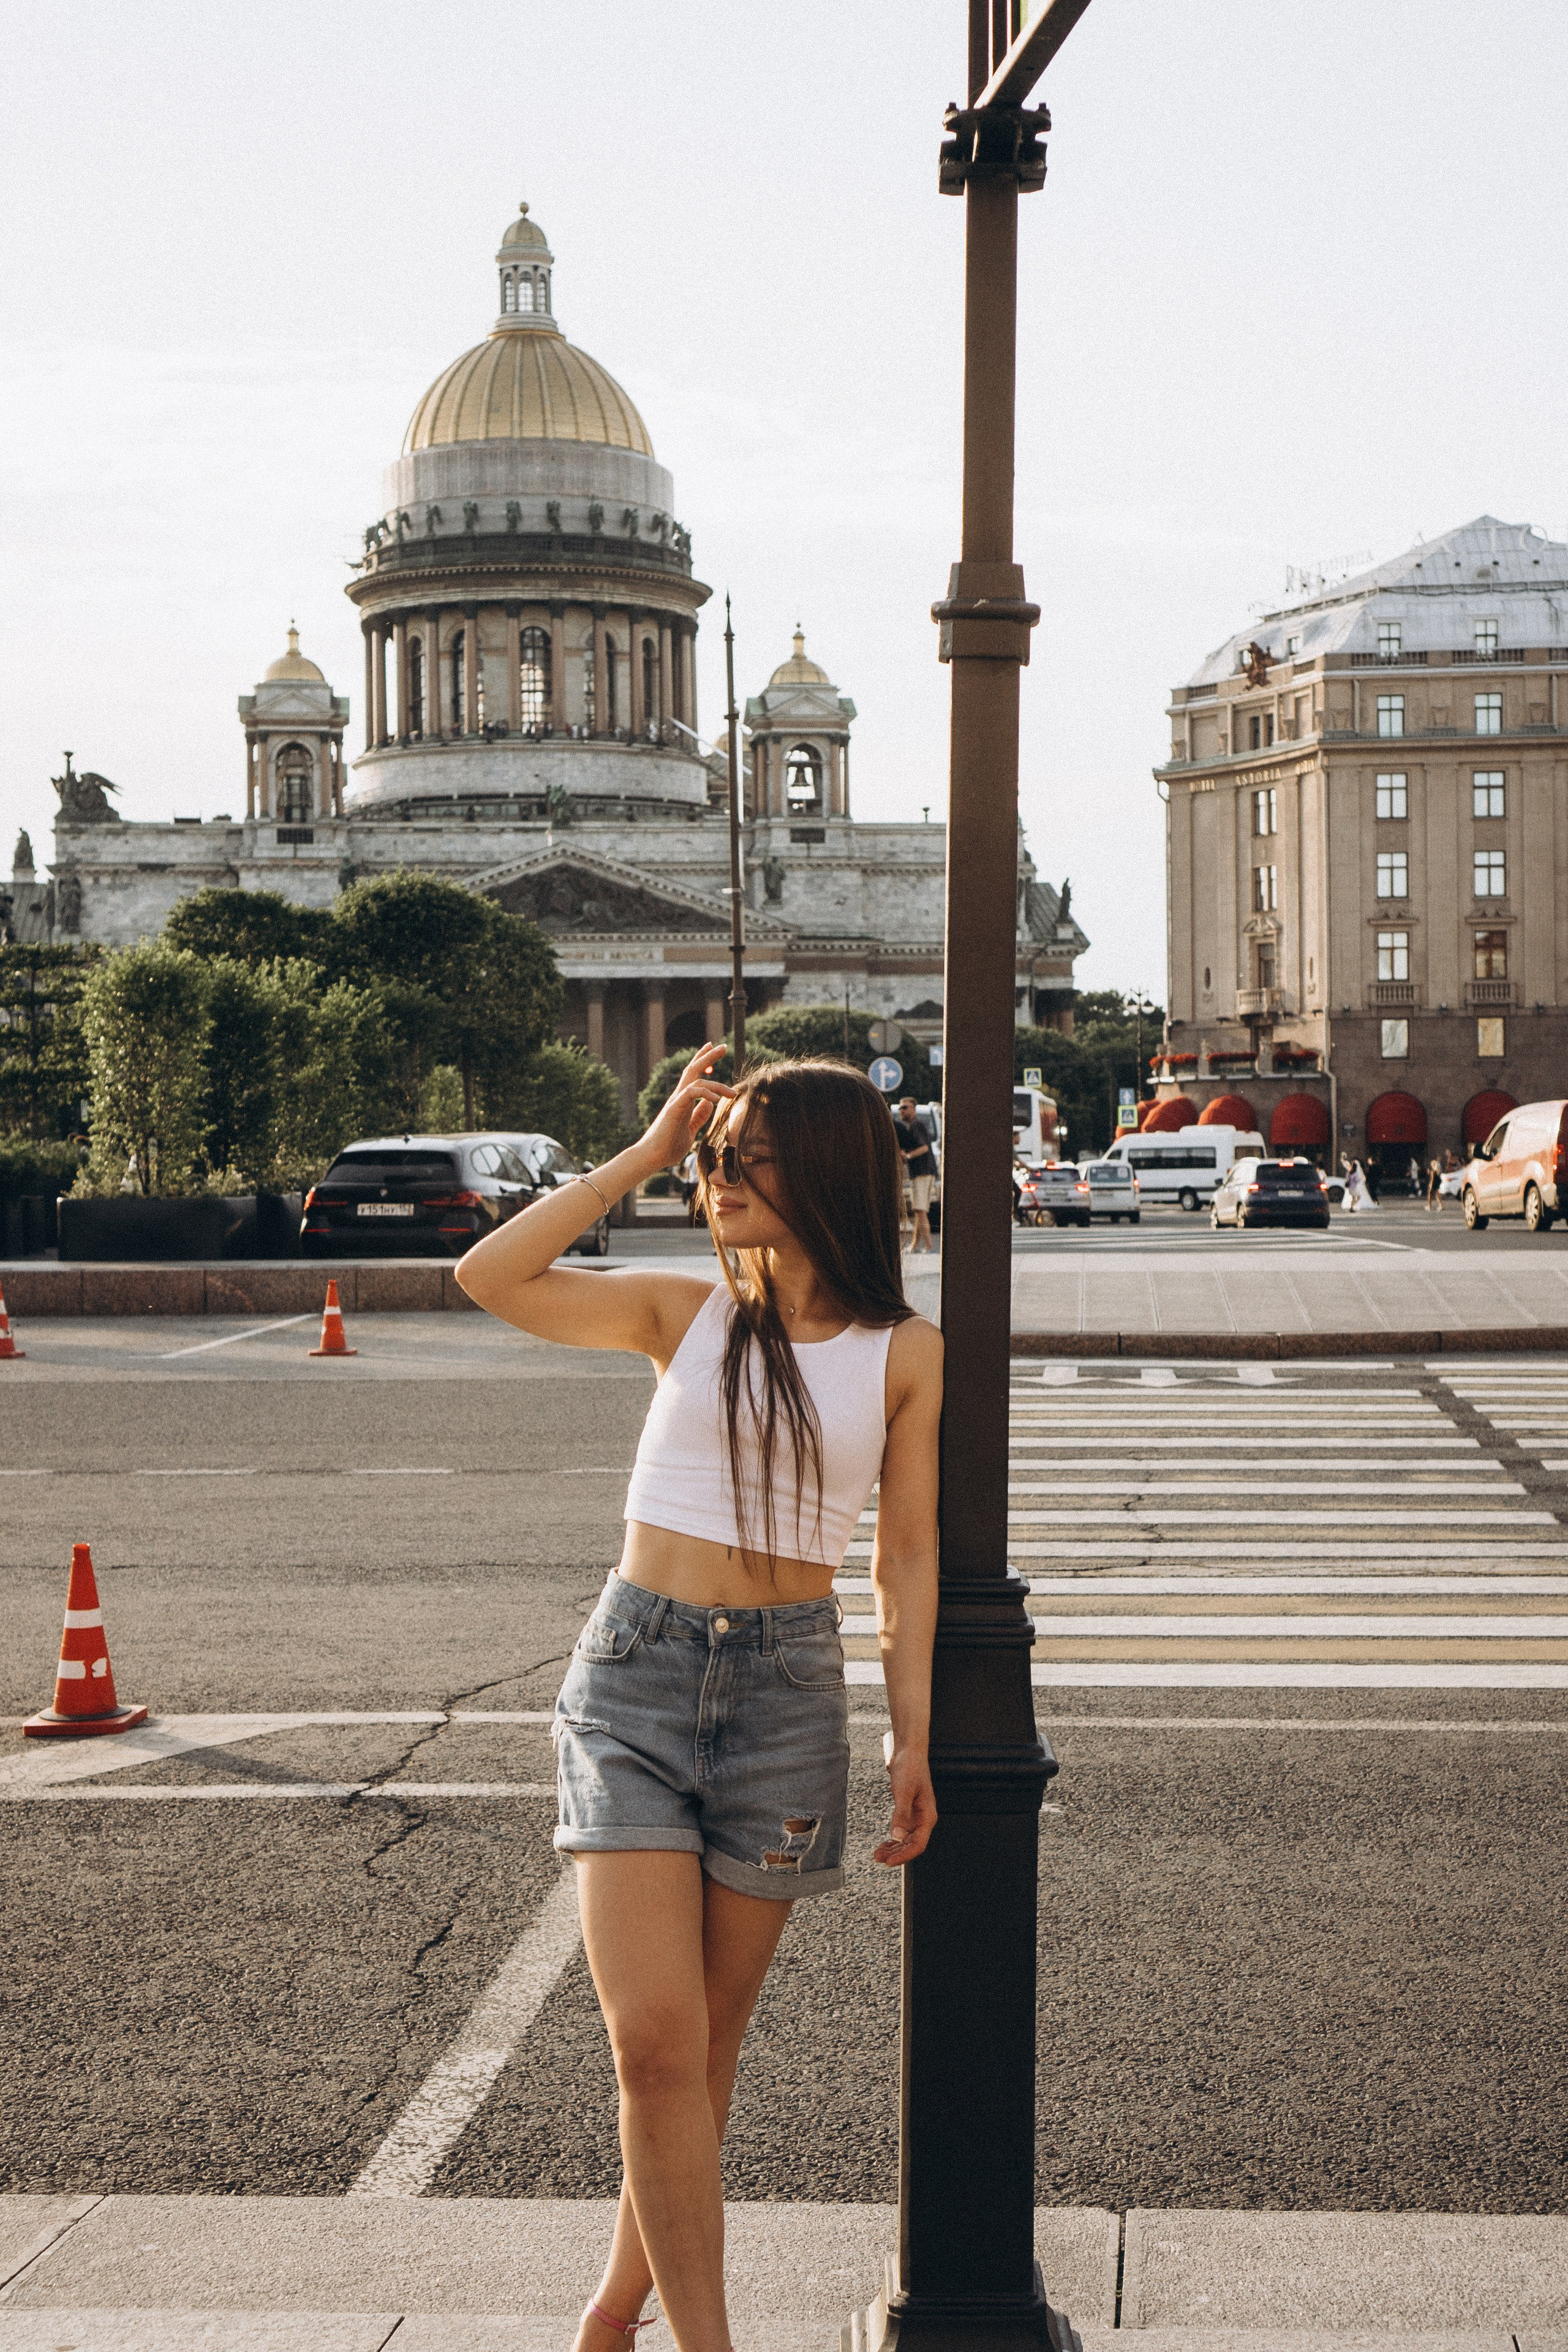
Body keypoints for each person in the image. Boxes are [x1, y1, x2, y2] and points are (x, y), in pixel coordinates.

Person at [456, 1045, 941, 2352]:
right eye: (716, 1159)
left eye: (749, 1157)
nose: (720, 1179)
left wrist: (914, 1731)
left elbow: (902, 1557)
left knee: (702, 2054)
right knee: (654, 2047)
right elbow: (486, 1277)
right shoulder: (684, 1313)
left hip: (786, 1695)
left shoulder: (904, 1354)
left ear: (831, 1171)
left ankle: (614, 2312)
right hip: (635, 1677)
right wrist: (648, 1146)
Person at [892, 1095, 937, 1254]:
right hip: (922, 1171)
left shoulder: (917, 1126)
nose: (902, 1111)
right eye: (901, 1108)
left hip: (922, 1171)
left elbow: (924, 1148)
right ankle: (915, 1245)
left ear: (913, 1109)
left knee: (920, 1209)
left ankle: (929, 1246)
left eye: (905, 1107)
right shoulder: (912, 1126)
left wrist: (908, 1156)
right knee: (919, 1209)